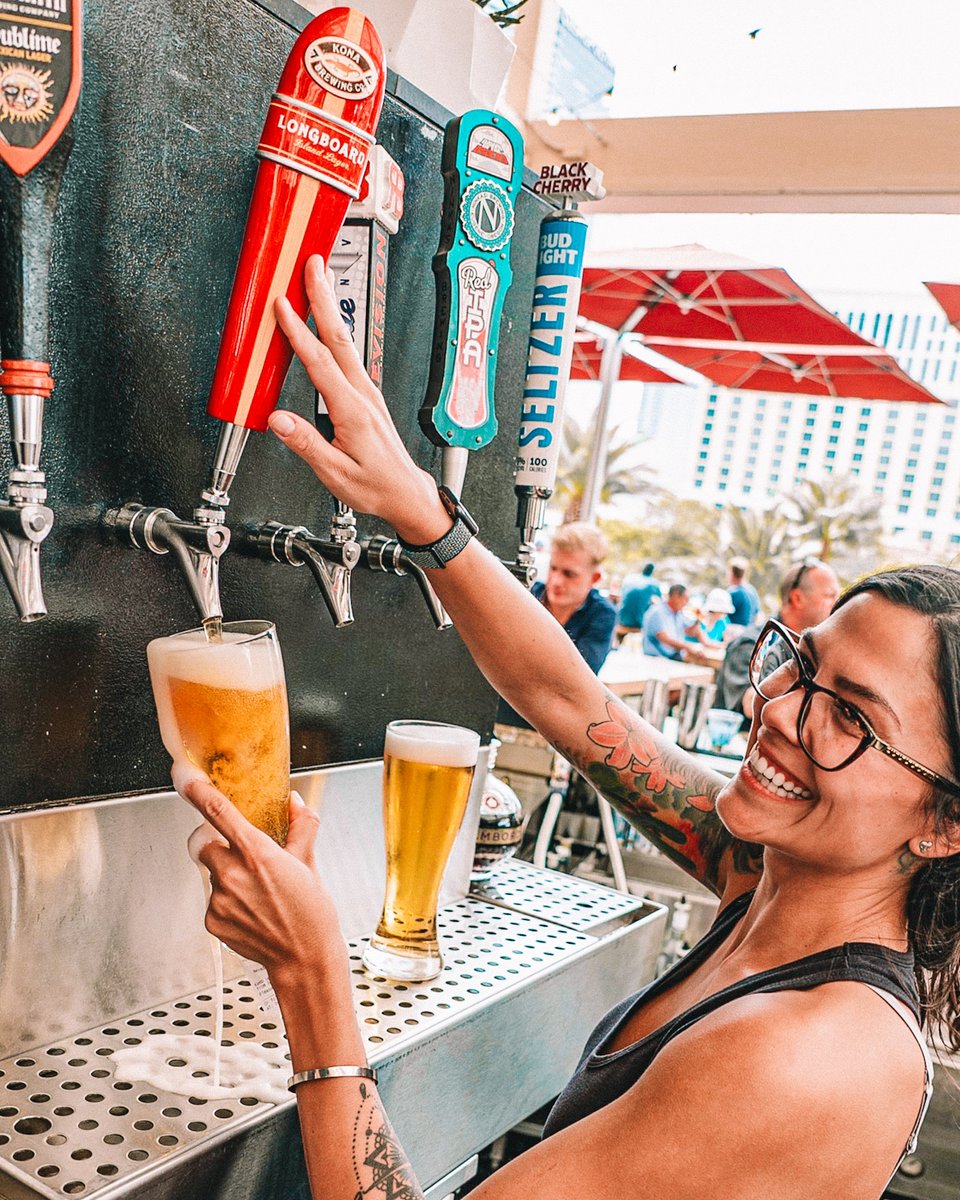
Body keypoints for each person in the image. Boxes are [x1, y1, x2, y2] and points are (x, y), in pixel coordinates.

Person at [181, 258, 954, 1200]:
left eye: (849, 716)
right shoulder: (765, 878)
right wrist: (422, 511)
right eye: (801, 662)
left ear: (944, 824)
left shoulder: (814, 1053)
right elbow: (571, 703)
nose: (778, 710)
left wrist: (309, 972)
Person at [497, 521, 615, 728]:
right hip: (500, 714)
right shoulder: (527, 594)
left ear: (594, 578)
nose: (556, 581)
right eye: (553, 569)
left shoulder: (602, 614)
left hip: (552, 728)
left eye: (569, 574)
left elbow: (576, 681)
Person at [715, 557, 841, 718]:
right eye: (830, 595)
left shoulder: (819, 650)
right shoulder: (752, 643)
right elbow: (749, 705)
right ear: (797, 598)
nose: (837, 603)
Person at [640, 583, 700, 659]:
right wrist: (688, 647)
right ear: (676, 597)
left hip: (673, 656)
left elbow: (690, 632)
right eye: (685, 599)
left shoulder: (678, 613)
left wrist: (698, 619)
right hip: (658, 658)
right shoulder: (657, 612)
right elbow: (664, 638)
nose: (686, 603)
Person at [616, 561, 660, 640]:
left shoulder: (629, 578)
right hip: (638, 623)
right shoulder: (653, 583)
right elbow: (659, 601)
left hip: (621, 618)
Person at [727, 556, 761, 628]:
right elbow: (757, 615)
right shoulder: (752, 590)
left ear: (732, 573)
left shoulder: (733, 593)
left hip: (735, 634)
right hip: (749, 633)